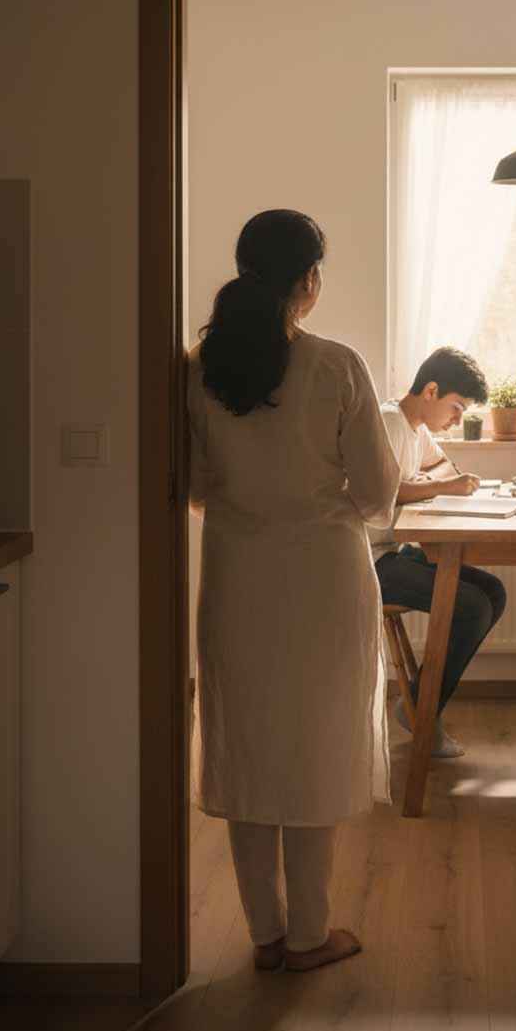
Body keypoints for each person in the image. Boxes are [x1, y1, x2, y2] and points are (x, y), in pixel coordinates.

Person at [186, 209, 399, 974]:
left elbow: (192, 483)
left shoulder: (196, 369)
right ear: (308, 282)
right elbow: (378, 493)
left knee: (245, 747)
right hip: (323, 580)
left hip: (237, 578)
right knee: (314, 747)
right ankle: (313, 933)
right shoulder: (336, 365)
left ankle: (266, 936)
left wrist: (250, 509)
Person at [369, 347, 508, 757]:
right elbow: (384, 493)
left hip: (392, 549)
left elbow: (441, 468)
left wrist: (462, 483)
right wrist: (445, 487)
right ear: (431, 391)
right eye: (456, 407)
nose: (458, 419)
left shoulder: (416, 428)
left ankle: (417, 701)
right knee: (472, 607)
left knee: (493, 593)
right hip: (368, 560)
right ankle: (420, 712)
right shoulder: (390, 423)